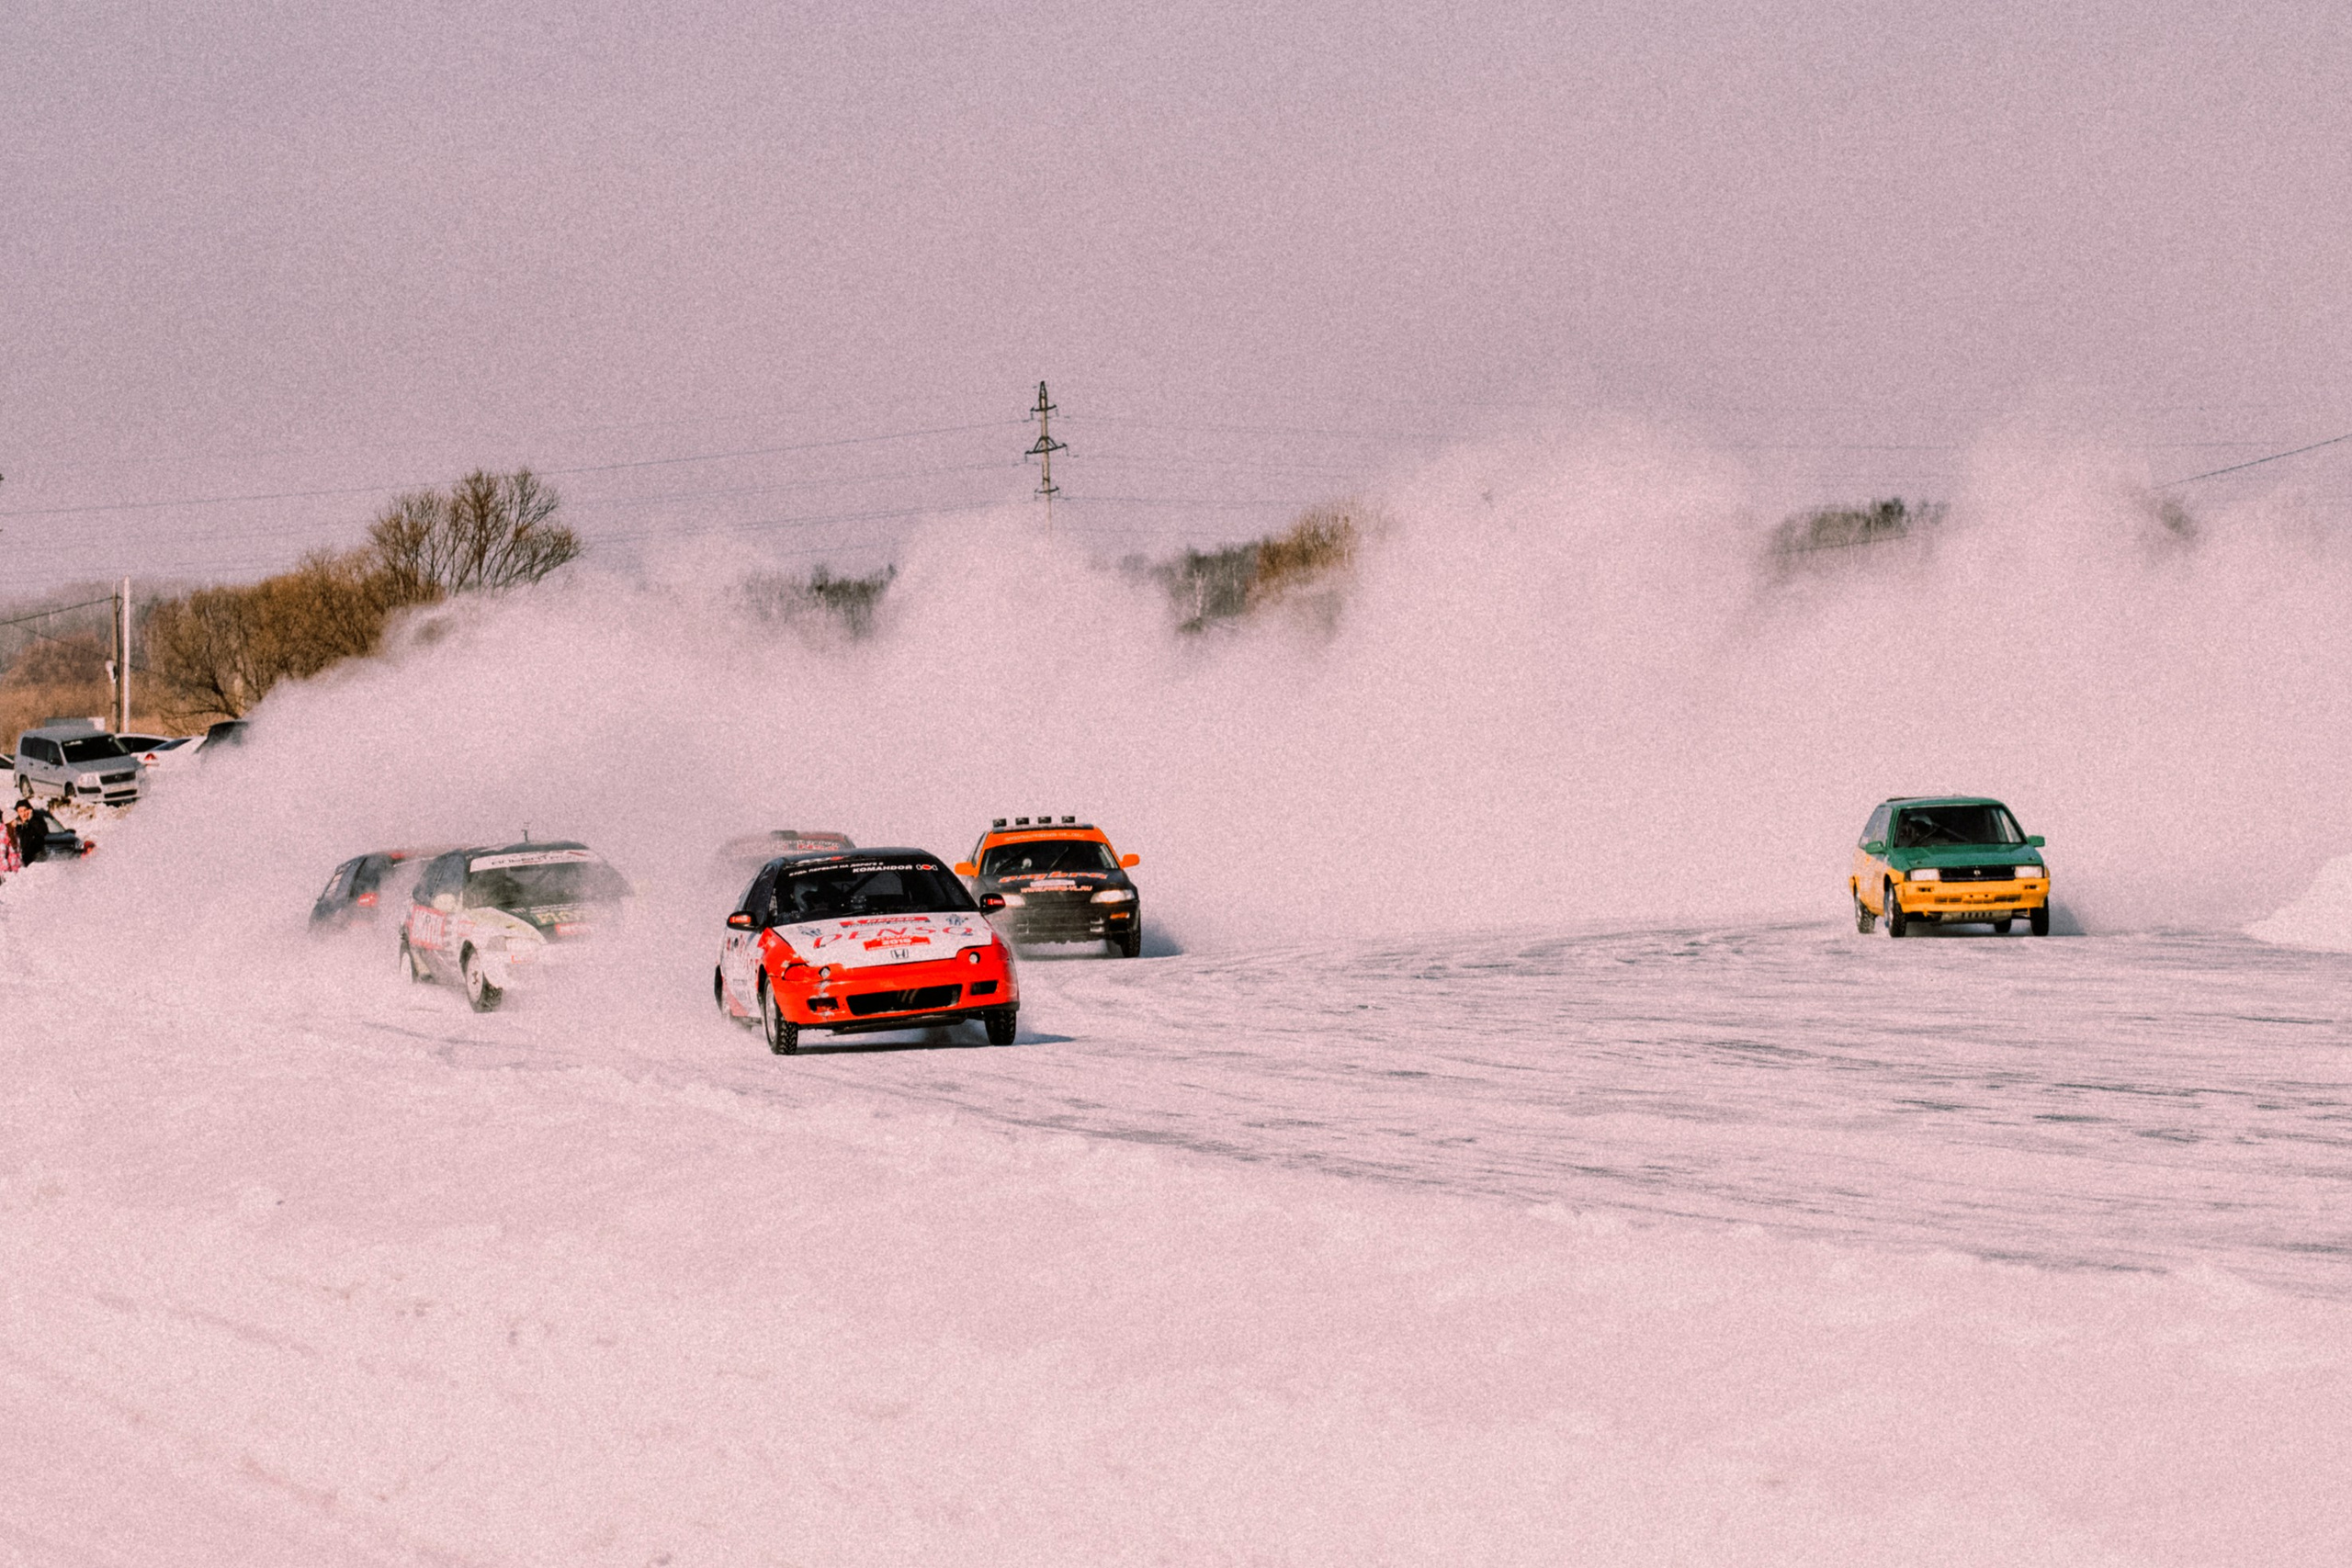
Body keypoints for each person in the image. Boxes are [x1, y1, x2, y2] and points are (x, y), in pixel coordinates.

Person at [11, 799, 56, 865]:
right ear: (17, 813)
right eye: (20, 811)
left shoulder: (36, 820)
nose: (23, 814)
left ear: (30, 810)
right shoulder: (15, 824)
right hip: (21, 857)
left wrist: (32, 819)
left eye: (25, 810)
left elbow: (44, 832)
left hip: (37, 856)